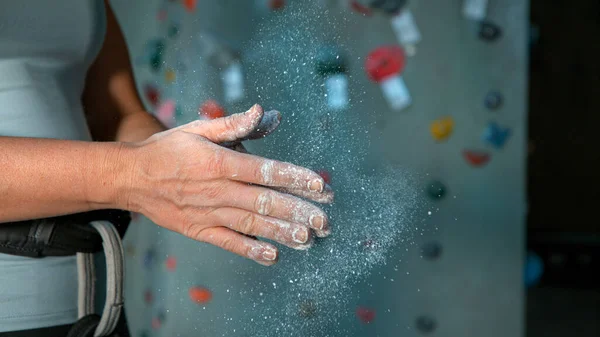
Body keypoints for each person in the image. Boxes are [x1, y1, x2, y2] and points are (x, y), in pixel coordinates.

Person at [0, 1, 333, 336]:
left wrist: (187, 156)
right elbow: (131, 164)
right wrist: (136, 174)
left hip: (100, 317)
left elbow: (119, 116)